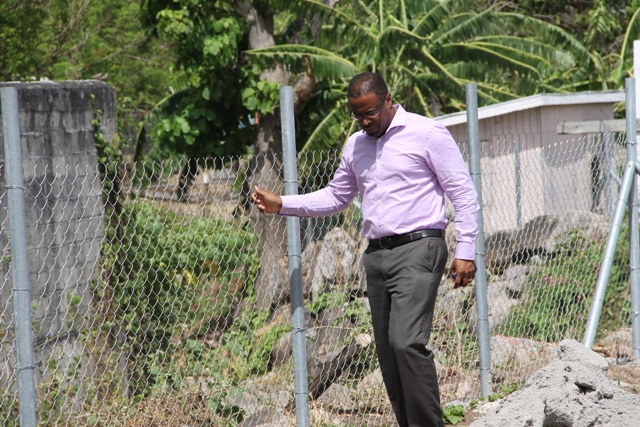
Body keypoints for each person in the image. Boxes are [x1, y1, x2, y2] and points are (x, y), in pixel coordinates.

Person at [251, 72, 478, 427]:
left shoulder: (426, 133)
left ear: (388, 100)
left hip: (420, 248)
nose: (364, 121)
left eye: (370, 112)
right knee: (388, 354)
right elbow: (336, 196)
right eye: (357, 115)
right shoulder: (356, 145)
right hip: (376, 256)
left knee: (406, 343)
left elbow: (463, 194)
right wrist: (283, 203)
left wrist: (466, 249)